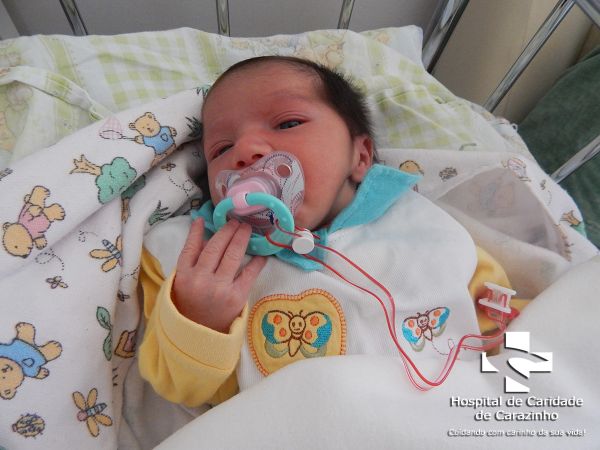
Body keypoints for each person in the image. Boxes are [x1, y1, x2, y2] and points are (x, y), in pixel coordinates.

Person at [138, 56, 518, 407]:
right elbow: (182, 391)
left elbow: (504, 324)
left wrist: (520, 379)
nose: (246, 150)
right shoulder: (192, 258)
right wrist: (200, 320)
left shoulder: (420, 229)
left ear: (360, 156)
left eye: (288, 124)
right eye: (221, 149)